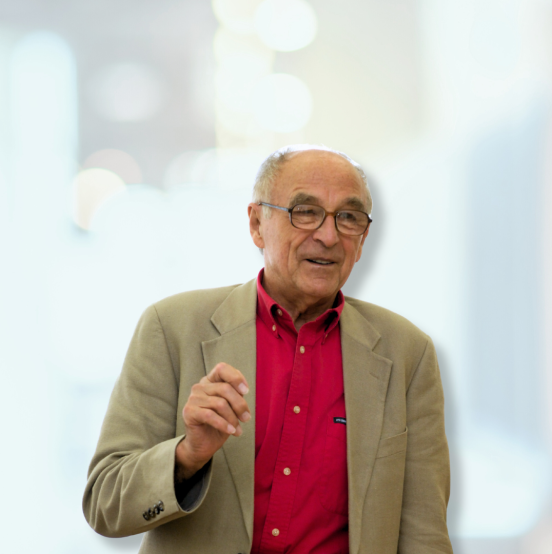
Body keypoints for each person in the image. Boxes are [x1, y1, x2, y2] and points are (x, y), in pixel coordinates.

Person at [83, 145, 453, 554]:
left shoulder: (406, 354)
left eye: (348, 217)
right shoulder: (172, 328)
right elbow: (105, 505)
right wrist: (187, 456)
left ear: (363, 238)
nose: (328, 236)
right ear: (257, 224)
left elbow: (425, 536)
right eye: (305, 212)